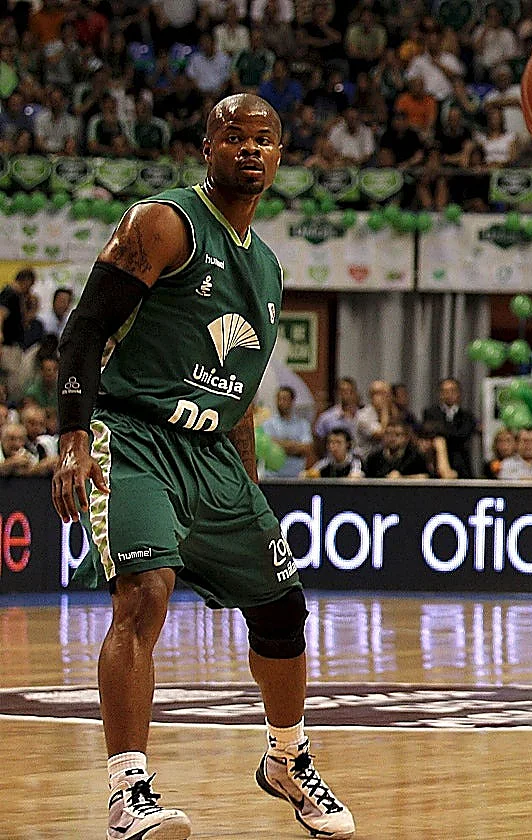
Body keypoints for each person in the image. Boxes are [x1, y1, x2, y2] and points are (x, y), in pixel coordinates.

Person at [51, 94, 354, 840]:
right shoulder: (164, 223)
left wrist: (248, 493)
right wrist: (71, 439)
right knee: (144, 595)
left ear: (279, 156)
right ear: (208, 146)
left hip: (215, 456)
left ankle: (287, 758)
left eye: (265, 140)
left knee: (283, 606)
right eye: (235, 136)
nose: (251, 149)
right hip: (135, 435)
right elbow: (84, 329)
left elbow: (241, 398)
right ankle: (129, 791)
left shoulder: (270, 271)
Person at [421, 377, 477, 478]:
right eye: (445, 391)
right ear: (440, 394)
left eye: (452, 390)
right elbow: (428, 431)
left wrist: (440, 430)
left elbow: (462, 435)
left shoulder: (467, 416)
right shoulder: (431, 412)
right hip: (436, 462)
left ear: (459, 393)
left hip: (460, 463)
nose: (449, 394)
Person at [260, 385, 313, 478]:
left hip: (296, 476)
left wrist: (280, 444)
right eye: (279, 399)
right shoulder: (268, 424)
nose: (281, 402)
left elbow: (306, 448)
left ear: (292, 401)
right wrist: (295, 446)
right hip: (272, 476)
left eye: (284, 399)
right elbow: (268, 445)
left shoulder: (303, 424)